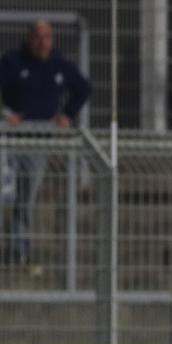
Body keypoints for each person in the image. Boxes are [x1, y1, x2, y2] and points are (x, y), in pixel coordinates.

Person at [0, 20, 90, 267]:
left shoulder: (60, 65)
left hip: (39, 142)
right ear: (29, 37)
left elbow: (83, 89)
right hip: (9, 142)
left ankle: (19, 252)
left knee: (25, 198)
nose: (42, 42)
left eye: (47, 36)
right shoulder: (13, 62)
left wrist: (67, 114)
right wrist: (6, 114)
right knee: (3, 194)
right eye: (38, 36)